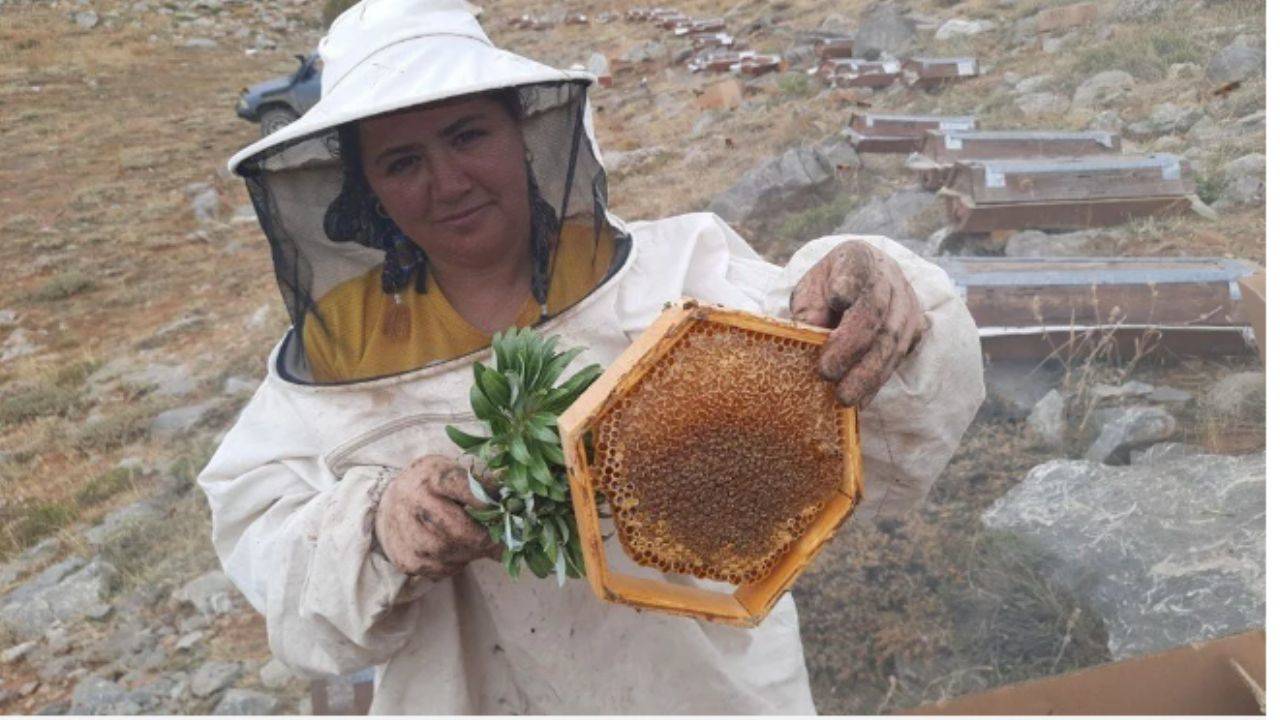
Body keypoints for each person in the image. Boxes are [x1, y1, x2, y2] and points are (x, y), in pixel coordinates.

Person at [198, 0, 985, 712]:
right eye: (401, 162)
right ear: (367, 188)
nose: (446, 182)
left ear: (524, 135)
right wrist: (372, 528)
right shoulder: (338, 362)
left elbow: (862, 400)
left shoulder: (680, 274)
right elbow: (272, 554)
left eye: (467, 135)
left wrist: (878, 289)